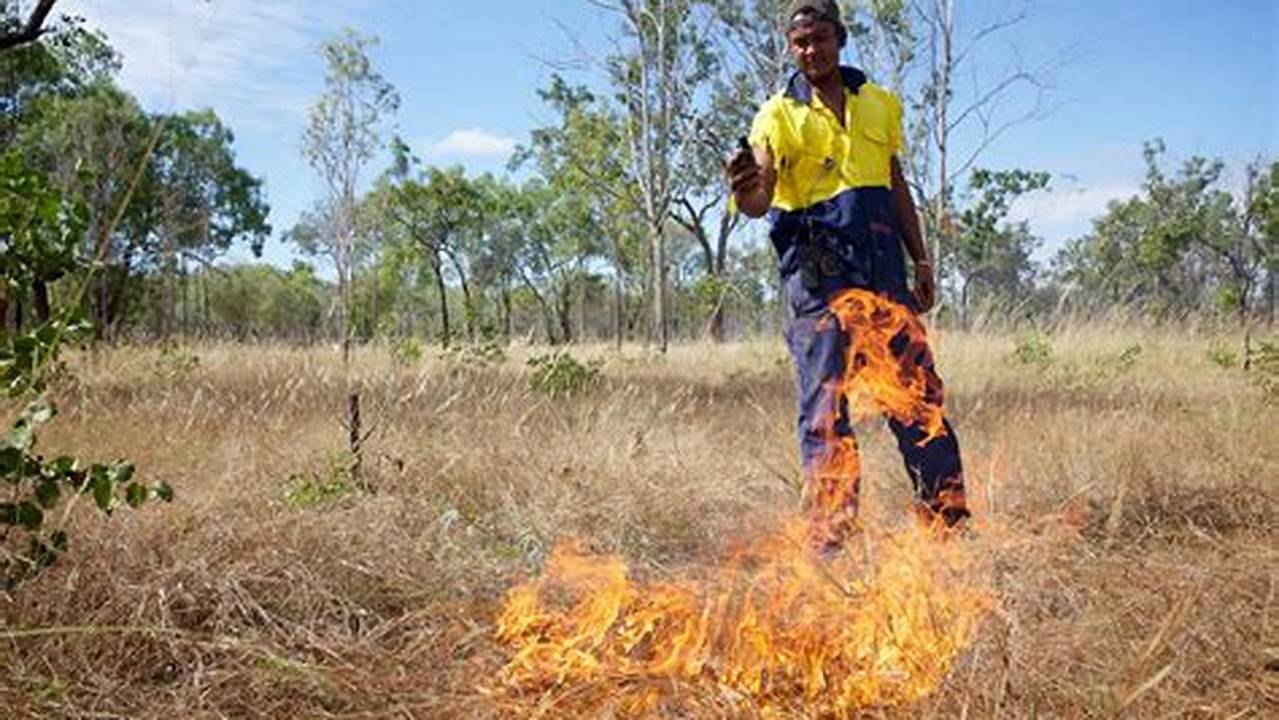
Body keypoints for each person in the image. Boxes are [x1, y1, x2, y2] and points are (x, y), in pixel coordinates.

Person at [727, 0, 968, 552]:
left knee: (916, 397)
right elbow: (761, 197)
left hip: (884, 269)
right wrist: (744, 190)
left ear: (840, 38)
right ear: (792, 49)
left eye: (819, 39)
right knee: (826, 410)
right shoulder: (777, 115)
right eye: (800, 43)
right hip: (818, 278)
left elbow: (894, 183)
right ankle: (830, 543)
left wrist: (921, 258)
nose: (810, 51)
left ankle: (946, 526)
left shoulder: (879, 104)